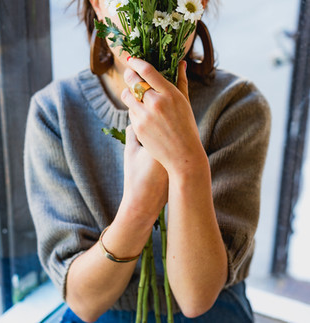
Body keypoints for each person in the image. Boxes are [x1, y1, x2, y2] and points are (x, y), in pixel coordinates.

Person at [24, 0, 271, 322]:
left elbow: (197, 299)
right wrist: (140, 206)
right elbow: (84, 303)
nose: (152, 22)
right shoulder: (54, 111)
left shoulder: (236, 105)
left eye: (168, 5)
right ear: (98, 5)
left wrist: (186, 165)